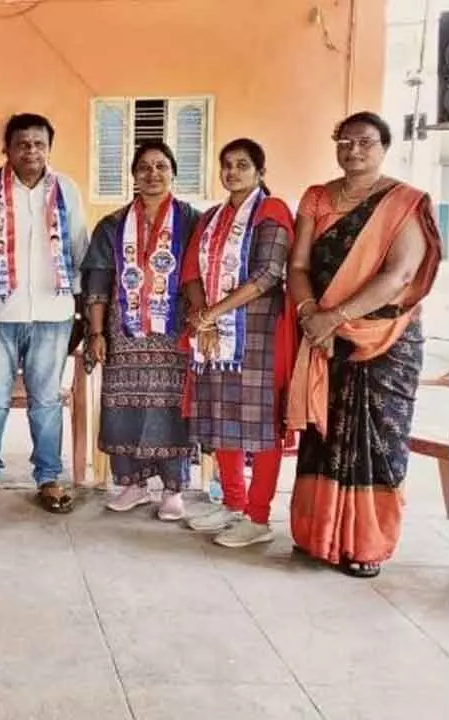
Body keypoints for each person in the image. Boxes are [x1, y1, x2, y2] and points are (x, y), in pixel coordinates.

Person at [286, 112, 441, 578]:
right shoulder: (316, 197)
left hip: (383, 339)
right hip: (323, 335)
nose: (354, 150)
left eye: (365, 142)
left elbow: (400, 275)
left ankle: (366, 543)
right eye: (345, 141)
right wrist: (311, 315)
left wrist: (335, 317)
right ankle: (318, 536)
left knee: (377, 440)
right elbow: (297, 266)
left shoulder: (405, 203)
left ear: (385, 146)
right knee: (324, 435)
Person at [179, 139, 297, 547]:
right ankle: (232, 503)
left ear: (260, 170)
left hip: (258, 335)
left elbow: (267, 274)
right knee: (221, 417)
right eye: (226, 165)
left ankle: (259, 517)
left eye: (242, 165)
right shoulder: (212, 217)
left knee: (261, 424)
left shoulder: (272, 211)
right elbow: (190, 272)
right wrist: (203, 318)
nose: (232, 172)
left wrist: (214, 313)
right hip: (214, 338)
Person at [0, 113, 90, 513]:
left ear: (49, 148)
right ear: (7, 148)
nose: (31, 151)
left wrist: (80, 311)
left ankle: (49, 477)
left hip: (52, 315)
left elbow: (79, 250)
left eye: (39, 143)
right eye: (22, 143)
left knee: (46, 400)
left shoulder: (66, 189)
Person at [83, 140, 200, 521]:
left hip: (175, 334)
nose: (152, 174)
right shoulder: (112, 226)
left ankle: (172, 489)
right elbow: (98, 283)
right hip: (124, 332)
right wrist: (97, 333)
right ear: (133, 175)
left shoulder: (193, 220)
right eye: (144, 168)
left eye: (161, 166)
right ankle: (133, 483)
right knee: (124, 406)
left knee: (170, 407)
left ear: (173, 173)